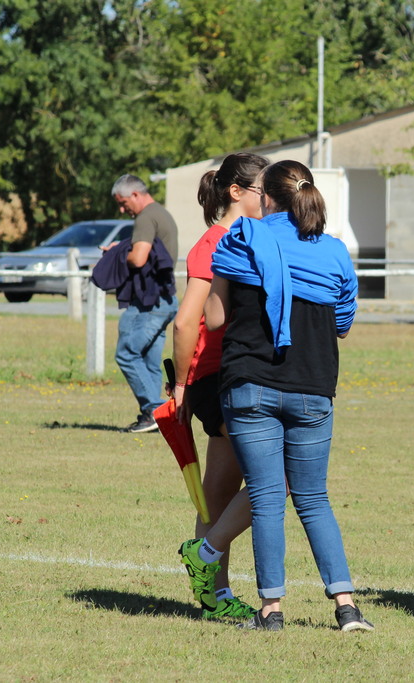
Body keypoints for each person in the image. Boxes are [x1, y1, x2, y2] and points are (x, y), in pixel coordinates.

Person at [203, 160, 372, 632]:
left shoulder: (242, 238)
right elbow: (343, 325)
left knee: (267, 499)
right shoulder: (335, 251)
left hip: (251, 385)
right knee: (314, 498)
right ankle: (347, 607)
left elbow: (214, 318)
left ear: (266, 198)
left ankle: (271, 611)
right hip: (314, 389)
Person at [167, 152, 268, 621]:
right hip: (219, 378)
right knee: (279, 477)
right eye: (264, 189)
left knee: (218, 491)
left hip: (233, 376)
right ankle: (204, 554)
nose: (271, 198)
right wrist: (182, 385)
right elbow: (185, 322)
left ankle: (216, 596)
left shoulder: (257, 236)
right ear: (236, 192)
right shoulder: (213, 243)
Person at [110, 174, 179, 433]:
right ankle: (156, 417)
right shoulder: (161, 213)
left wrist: (117, 253)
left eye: (123, 202)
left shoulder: (145, 217)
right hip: (166, 299)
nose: (122, 209)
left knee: (127, 353)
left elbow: (138, 258)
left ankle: (154, 412)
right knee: (149, 360)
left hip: (150, 301)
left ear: (136, 195)